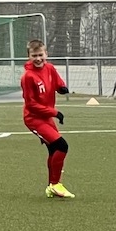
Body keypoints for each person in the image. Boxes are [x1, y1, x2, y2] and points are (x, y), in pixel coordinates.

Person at [20, 38, 74, 198]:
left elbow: (57, 82)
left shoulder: (50, 68)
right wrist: (54, 112)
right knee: (62, 146)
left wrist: (62, 88)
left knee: (54, 149)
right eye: (34, 55)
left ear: (46, 54)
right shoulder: (28, 77)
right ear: (29, 56)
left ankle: (52, 186)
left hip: (46, 117)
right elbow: (31, 105)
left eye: (40, 55)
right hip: (34, 119)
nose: (38, 59)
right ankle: (56, 184)